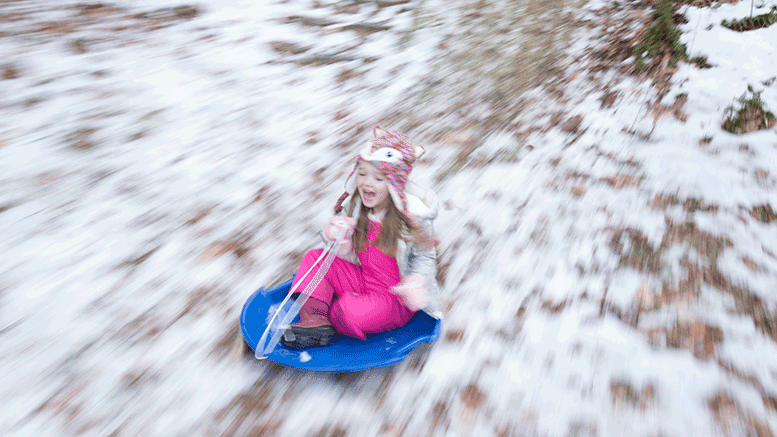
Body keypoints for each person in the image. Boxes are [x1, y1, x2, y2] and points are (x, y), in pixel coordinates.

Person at [281, 126, 442, 350]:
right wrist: (334, 235)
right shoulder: (357, 207)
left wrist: (418, 281)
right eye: (363, 174)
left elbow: (425, 257)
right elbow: (337, 242)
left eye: (378, 178)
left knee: (345, 310)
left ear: (395, 185)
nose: (367, 183)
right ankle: (315, 319)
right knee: (314, 259)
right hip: (361, 279)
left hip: (394, 298)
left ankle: (332, 310)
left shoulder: (412, 219)